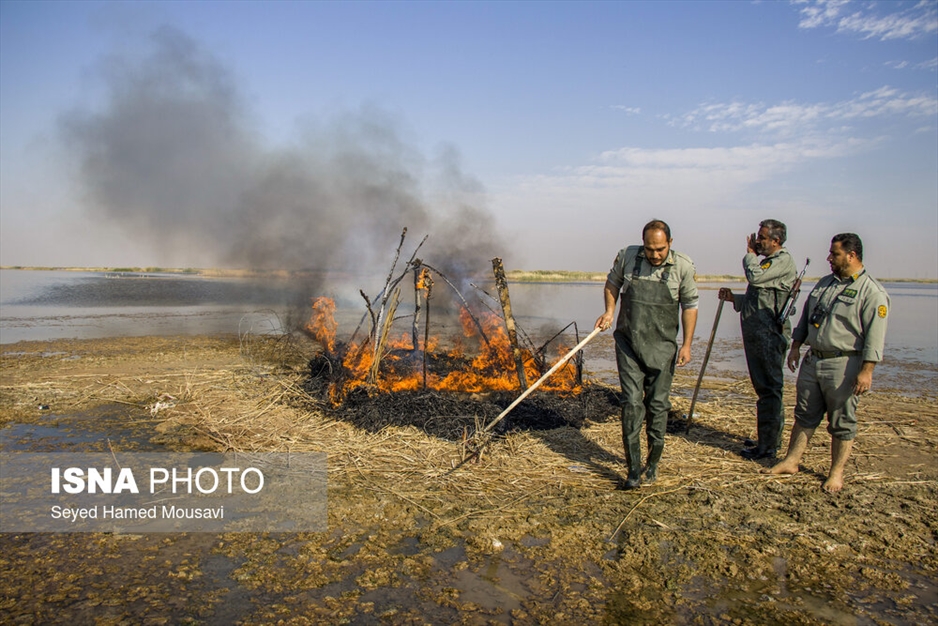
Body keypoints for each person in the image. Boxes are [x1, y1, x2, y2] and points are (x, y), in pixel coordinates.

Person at [766, 233, 889, 493]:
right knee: (804, 414)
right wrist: (796, 346)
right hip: (814, 361)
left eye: (834, 254)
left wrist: (867, 371)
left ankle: (836, 473)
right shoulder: (825, 284)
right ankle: (791, 461)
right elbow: (807, 318)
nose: (829, 258)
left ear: (851, 255)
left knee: (842, 421)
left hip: (844, 365)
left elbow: (875, 337)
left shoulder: (872, 292)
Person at [595, 219, 698, 489]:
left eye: (660, 249)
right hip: (629, 344)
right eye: (650, 249)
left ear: (670, 244)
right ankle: (632, 471)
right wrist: (609, 311)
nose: (654, 255)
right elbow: (611, 283)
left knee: (657, 407)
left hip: (662, 348)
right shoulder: (628, 257)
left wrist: (686, 345)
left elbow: (689, 306)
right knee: (631, 404)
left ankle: (652, 465)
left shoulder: (683, 267)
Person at [718, 219, 796, 460]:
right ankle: (768, 437)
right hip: (758, 335)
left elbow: (755, 278)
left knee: (770, 390)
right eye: (758, 237)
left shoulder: (783, 262)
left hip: (770, 336)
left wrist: (750, 254)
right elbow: (761, 298)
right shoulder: (769, 264)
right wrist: (735, 299)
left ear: (776, 241)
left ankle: (769, 446)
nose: (757, 241)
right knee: (764, 388)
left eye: (762, 237)